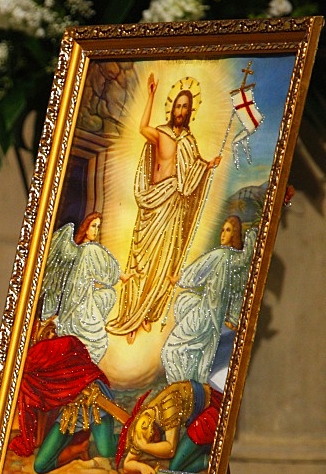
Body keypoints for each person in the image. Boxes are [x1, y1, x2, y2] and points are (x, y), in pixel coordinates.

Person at [107, 73, 222, 343]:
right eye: (177, 106)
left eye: (185, 107)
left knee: (162, 260)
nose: (180, 111)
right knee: (142, 259)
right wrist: (150, 94)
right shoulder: (161, 133)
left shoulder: (189, 142)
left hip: (172, 205)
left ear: (190, 111)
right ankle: (130, 315)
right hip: (153, 201)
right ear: (172, 108)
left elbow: (191, 173)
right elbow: (141, 127)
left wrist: (207, 166)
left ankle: (147, 314)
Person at [161, 215, 256, 384]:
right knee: (199, 356)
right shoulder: (236, 261)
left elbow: (196, 273)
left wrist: (179, 280)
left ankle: (178, 386)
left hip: (204, 313)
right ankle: (190, 389)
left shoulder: (220, 254)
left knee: (171, 349)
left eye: (228, 230)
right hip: (215, 319)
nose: (223, 234)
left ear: (234, 234)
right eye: (222, 230)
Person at [40, 211, 120, 363]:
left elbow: (94, 276)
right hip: (76, 301)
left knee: (107, 295)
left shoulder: (84, 250)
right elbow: (107, 272)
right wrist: (120, 276)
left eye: (98, 227)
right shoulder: (87, 250)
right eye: (93, 226)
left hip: (82, 297)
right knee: (98, 340)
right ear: (85, 227)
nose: (96, 230)